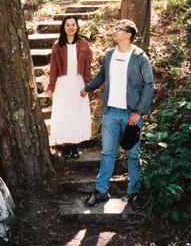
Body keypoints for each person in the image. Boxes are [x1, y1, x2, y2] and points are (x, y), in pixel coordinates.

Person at [80, 19, 154, 208]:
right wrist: (88, 88)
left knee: (133, 154)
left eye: (118, 29)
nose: (114, 31)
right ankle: (101, 191)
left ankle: (133, 193)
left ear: (128, 34)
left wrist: (139, 112)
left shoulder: (140, 56)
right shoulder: (110, 54)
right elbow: (102, 76)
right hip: (111, 113)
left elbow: (149, 84)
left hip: (131, 115)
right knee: (107, 153)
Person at [45, 16, 92, 159]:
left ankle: (74, 145)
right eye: (68, 25)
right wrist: (51, 86)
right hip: (63, 83)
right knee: (64, 113)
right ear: (63, 27)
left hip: (78, 83)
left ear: (77, 27)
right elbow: (53, 67)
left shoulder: (84, 44)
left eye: (73, 24)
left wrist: (88, 85)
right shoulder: (57, 45)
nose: (71, 27)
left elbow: (88, 67)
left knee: (77, 113)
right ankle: (66, 145)